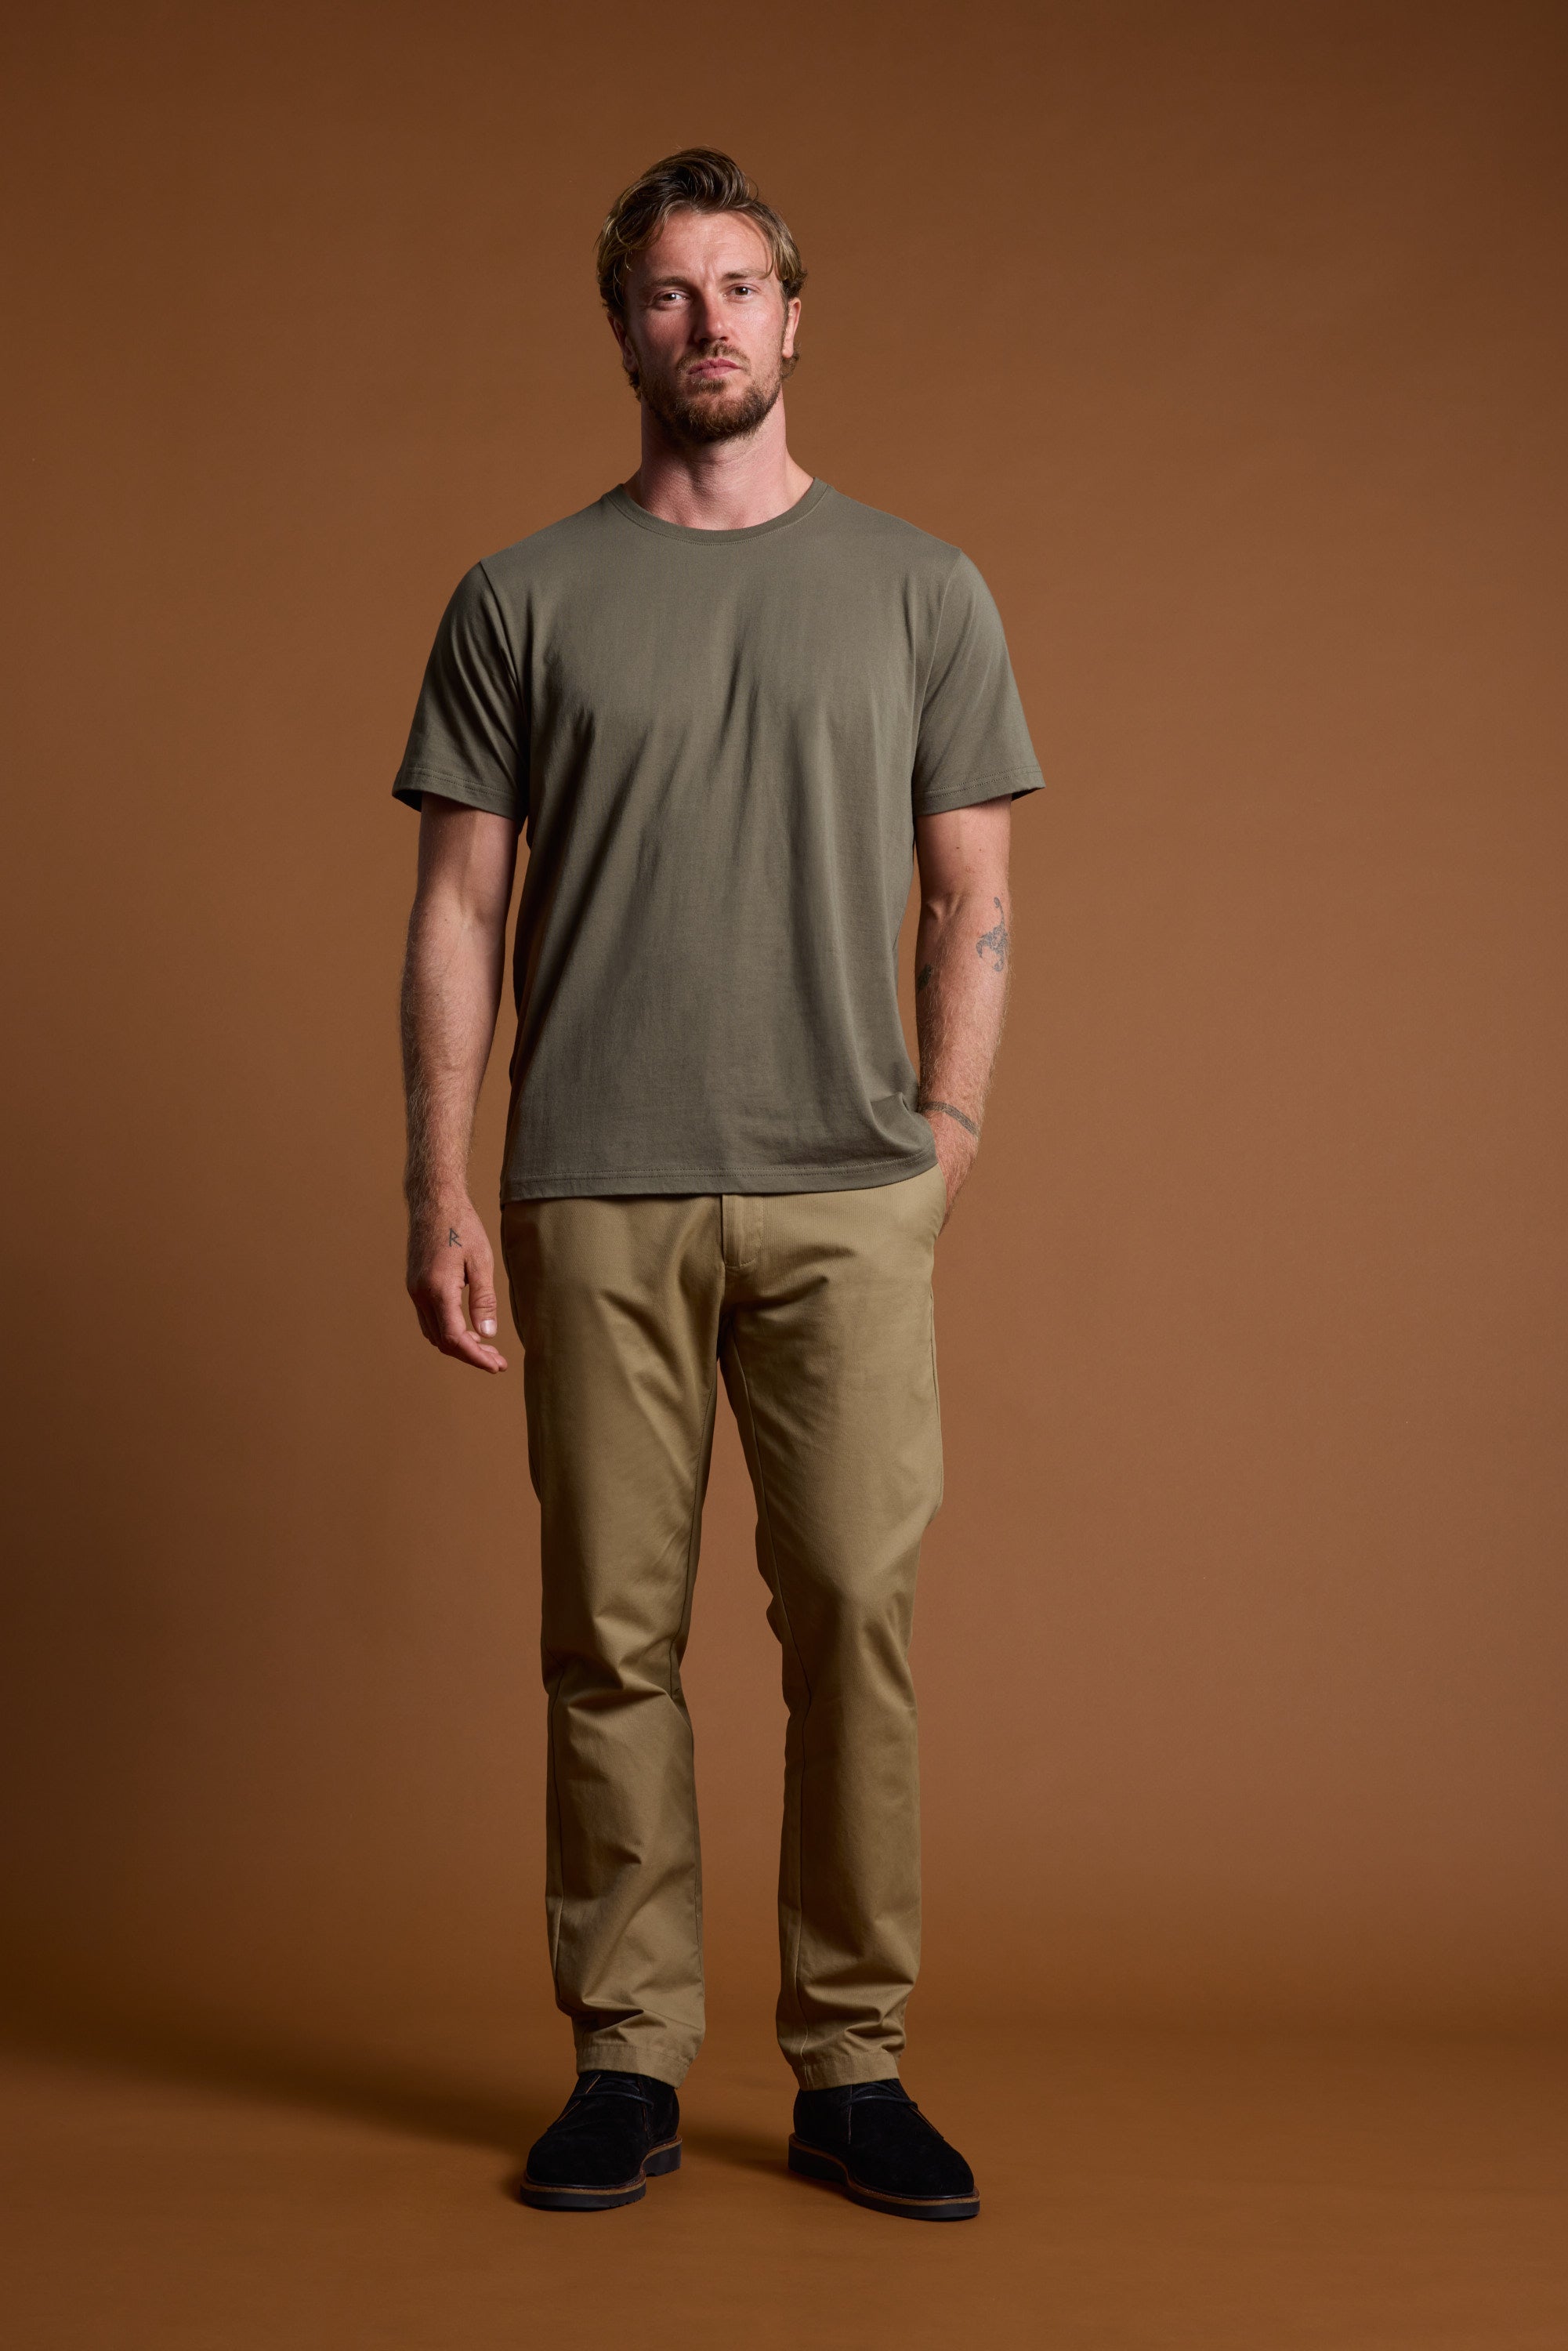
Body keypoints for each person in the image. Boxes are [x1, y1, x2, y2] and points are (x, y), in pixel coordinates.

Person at [393, 148, 1041, 2222]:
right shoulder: (520, 596)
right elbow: (457, 915)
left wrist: (941, 1141)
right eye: (667, 294)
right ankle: (626, 2055)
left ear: (792, 314)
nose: (707, 324)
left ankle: (851, 2062)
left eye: (739, 286)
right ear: (621, 331)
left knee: (854, 1615)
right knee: (610, 1639)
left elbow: (979, 895)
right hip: (595, 1185)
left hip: (845, 1193)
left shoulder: (922, 587)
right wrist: (443, 1185)